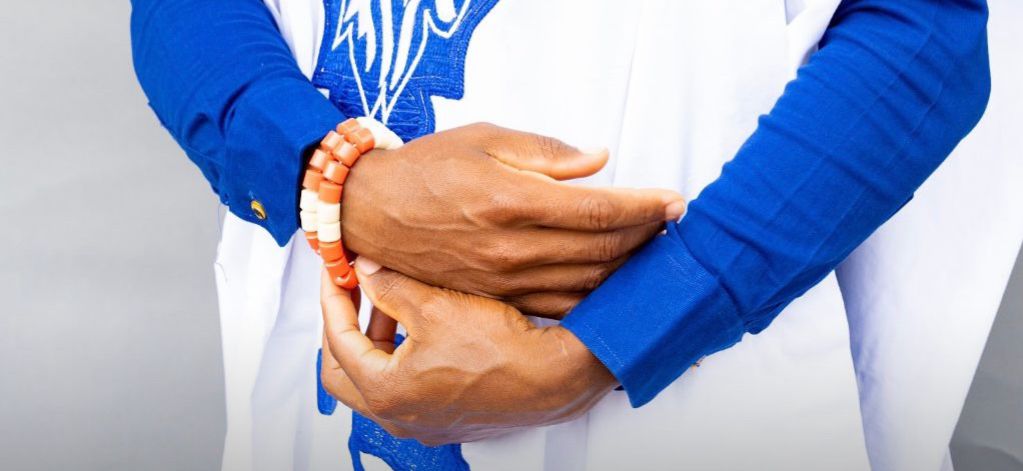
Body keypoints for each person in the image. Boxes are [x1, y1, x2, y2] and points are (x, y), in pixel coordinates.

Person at [131, 0, 1019, 470]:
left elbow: (921, 35)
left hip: (693, 388)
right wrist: (330, 175)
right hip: (328, 345)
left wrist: (618, 337)